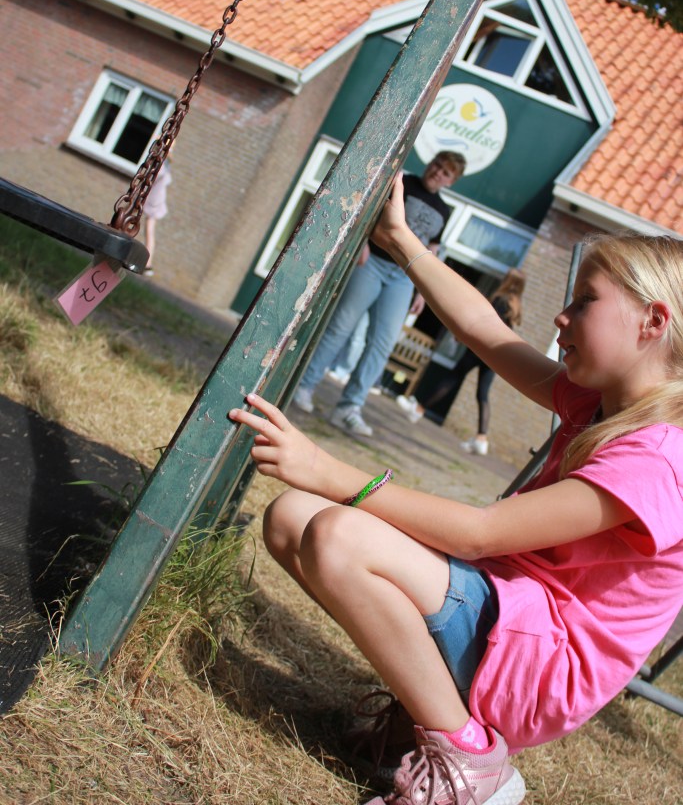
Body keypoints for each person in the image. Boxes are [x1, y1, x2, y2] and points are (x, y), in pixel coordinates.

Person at [229, 173, 683, 805]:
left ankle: (470, 761)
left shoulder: (658, 459)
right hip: (505, 614)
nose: (562, 315)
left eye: (585, 301)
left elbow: (479, 534)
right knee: (290, 518)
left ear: (653, 321)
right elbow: (481, 329)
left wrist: (329, 471)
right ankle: (424, 715)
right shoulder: (597, 403)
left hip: (541, 666)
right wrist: (401, 241)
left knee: (336, 534)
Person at [292, 152, 467, 437]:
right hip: (373, 264)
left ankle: (348, 408)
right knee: (340, 327)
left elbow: (431, 250)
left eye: (446, 173)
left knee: (382, 344)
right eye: (437, 165)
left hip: (404, 278)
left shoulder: (443, 211)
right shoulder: (403, 183)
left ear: (451, 181)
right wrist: (361, 243)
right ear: (430, 163)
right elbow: (372, 211)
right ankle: (304, 385)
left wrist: (424, 289)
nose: (438, 172)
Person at [396, 269, 526, 456]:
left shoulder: (501, 300)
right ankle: (481, 438)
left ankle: (418, 409)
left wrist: (465, 335)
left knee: (453, 377)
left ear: (509, 281)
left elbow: (486, 324)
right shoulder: (515, 307)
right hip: (498, 354)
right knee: (482, 393)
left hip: (482, 349)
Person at [141, 160, 172, 277]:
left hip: (153, 199)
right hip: (155, 198)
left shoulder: (162, 165)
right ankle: (148, 263)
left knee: (149, 230)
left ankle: (148, 263)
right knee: (149, 230)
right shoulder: (166, 166)